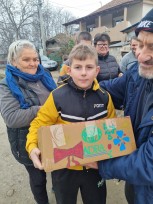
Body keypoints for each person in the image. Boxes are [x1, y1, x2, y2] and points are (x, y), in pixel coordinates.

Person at [26, 44, 116, 204]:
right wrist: (32, 146)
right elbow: (39, 123)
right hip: (64, 169)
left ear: (97, 70)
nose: (83, 72)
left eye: (89, 67)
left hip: (95, 167)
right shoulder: (57, 96)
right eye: (78, 67)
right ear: (69, 70)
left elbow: (112, 128)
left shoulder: (105, 97)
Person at [87, 8, 153, 204]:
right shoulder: (137, 74)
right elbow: (107, 90)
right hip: (135, 185)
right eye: (140, 45)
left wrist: (102, 164)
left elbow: (147, 164)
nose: (141, 56)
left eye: (152, 47)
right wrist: (78, 87)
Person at [0, 40, 57, 204]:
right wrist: (41, 110)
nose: (33, 63)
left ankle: (56, 188)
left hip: (52, 134)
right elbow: (12, 118)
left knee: (55, 167)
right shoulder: (6, 85)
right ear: (13, 61)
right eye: (26, 60)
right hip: (27, 140)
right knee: (38, 178)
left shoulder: (44, 74)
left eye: (35, 59)